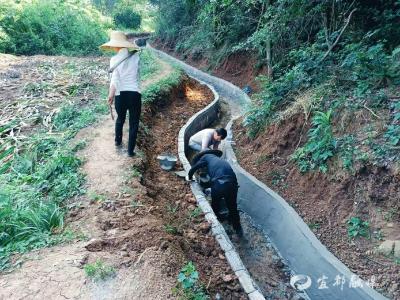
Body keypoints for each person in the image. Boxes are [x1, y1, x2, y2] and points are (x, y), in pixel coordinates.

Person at [100, 31, 141, 157]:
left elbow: (115, 80)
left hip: (120, 95)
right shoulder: (136, 57)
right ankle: (130, 151)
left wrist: (110, 95)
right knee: (134, 123)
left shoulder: (113, 60)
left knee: (120, 119)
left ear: (115, 46)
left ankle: (118, 142)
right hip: (134, 94)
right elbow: (138, 75)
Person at [187, 150, 242, 235]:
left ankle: (219, 224)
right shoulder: (218, 160)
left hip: (220, 184)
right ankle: (238, 229)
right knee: (232, 206)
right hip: (233, 184)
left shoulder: (205, 158)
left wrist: (190, 177)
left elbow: (194, 168)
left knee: (215, 204)